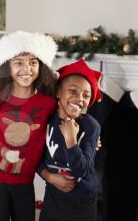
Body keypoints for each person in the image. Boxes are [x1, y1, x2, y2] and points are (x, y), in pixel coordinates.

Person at [0, 30, 58, 221]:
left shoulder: (48, 103)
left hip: (25, 181)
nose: (27, 68)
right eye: (19, 63)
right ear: (8, 67)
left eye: (33, 62)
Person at [38, 60, 102, 221]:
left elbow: (82, 170)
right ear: (59, 92)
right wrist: (49, 177)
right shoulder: (46, 119)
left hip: (82, 202)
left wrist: (71, 140)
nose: (79, 98)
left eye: (86, 95)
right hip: (52, 196)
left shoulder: (91, 127)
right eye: (72, 91)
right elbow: (34, 156)